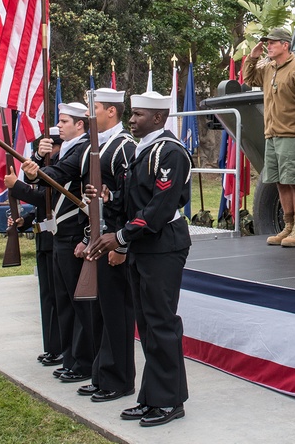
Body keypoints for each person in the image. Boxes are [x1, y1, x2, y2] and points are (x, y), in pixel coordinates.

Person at [85, 90, 191, 428]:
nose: (131, 120)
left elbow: (159, 208)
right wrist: (109, 197)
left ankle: (170, 401)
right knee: (146, 325)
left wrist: (119, 237)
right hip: (143, 247)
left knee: (161, 323)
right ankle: (152, 397)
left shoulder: (171, 152)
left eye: (139, 115)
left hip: (164, 245)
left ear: (158, 118)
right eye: (132, 114)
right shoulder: (143, 150)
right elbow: (133, 200)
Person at [21, 102, 93, 384]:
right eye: (60, 120)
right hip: (59, 233)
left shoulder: (82, 149)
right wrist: (36, 164)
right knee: (63, 301)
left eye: (64, 121)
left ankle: (81, 361)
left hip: (74, 231)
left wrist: (33, 173)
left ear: (80, 125)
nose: (59, 126)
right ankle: (70, 357)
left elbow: (57, 177)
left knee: (76, 304)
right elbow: (47, 182)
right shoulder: (66, 150)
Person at [76, 88, 138, 403]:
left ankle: (119, 378)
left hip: (115, 240)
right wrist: (87, 238)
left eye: (96, 108)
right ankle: (102, 373)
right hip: (100, 237)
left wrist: (120, 246)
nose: (91, 115)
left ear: (112, 111)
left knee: (117, 313)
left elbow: (130, 200)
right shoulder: (96, 147)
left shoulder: (124, 147)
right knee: (102, 312)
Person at [242, 27, 295, 247]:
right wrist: (253, 57)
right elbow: (249, 79)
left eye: (273, 42)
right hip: (272, 133)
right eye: (268, 43)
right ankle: (287, 225)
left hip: (291, 133)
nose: (269, 46)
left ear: (285, 44)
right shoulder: (268, 68)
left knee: (294, 181)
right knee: (279, 182)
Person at [5, 127, 63, 368]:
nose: (42, 150)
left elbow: (45, 197)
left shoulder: (62, 165)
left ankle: (60, 348)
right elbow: (40, 206)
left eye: (47, 146)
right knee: (47, 297)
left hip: (56, 237)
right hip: (43, 237)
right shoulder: (45, 165)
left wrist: (16, 186)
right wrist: (24, 221)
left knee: (58, 299)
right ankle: (51, 347)